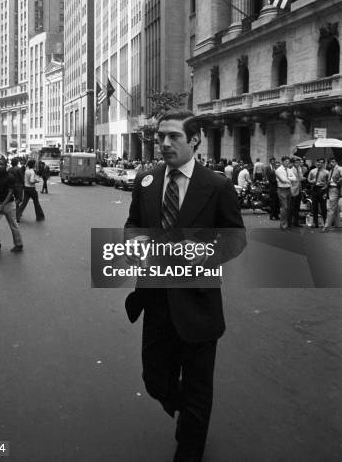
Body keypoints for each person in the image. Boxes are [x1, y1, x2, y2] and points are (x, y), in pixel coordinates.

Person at [124, 110, 245, 462]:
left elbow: (235, 239)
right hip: (156, 302)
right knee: (155, 381)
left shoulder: (217, 185)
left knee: (197, 392)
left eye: (173, 136)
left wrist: (206, 255)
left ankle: (190, 446)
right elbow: (134, 223)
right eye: (160, 136)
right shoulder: (146, 181)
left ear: (194, 139)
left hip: (198, 306)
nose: (163, 143)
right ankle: (187, 415)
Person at [307, 158, 329, 228]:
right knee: (314, 207)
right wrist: (311, 181)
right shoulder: (312, 171)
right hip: (314, 189)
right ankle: (315, 223)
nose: (319, 163)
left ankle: (325, 223)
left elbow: (328, 182)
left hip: (322, 190)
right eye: (318, 162)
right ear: (316, 163)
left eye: (321, 162)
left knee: (323, 207)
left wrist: (325, 187)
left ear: (323, 164)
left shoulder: (326, 172)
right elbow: (308, 179)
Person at [275, 156, 296, 230]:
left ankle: (286, 224)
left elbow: (295, 178)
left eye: (288, 162)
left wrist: (288, 178)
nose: (287, 163)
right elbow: (283, 180)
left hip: (288, 189)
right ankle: (283, 225)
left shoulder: (289, 170)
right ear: (282, 162)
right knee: (284, 207)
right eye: (286, 161)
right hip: (282, 190)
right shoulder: (278, 170)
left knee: (288, 208)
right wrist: (290, 179)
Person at [322, 157, 342, 232]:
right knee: (335, 208)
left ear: (336, 162)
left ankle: (326, 227)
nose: (331, 163)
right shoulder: (330, 170)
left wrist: (338, 181)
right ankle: (338, 225)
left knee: (331, 208)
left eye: (333, 162)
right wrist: (325, 189)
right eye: (330, 162)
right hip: (330, 189)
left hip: (335, 188)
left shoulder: (339, 169)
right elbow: (329, 181)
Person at [289, 157, 304, 227]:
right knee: (291, 207)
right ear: (293, 163)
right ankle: (289, 222)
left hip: (299, 189)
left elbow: (301, 178)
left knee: (297, 207)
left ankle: (296, 222)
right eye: (296, 162)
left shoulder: (300, 169)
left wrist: (303, 177)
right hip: (293, 190)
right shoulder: (291, 170)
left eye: (299, 162)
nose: (298, 164)